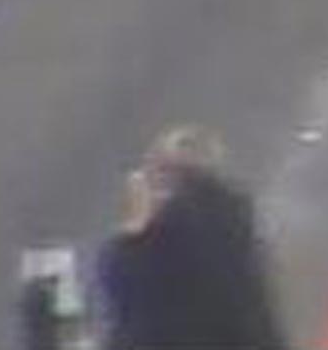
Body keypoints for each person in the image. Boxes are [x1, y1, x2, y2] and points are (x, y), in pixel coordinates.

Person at [95, 126, 293, 350]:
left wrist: (136, 225)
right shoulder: (235, 226)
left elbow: (123, 289)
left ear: (165, 176)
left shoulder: (163, 233)